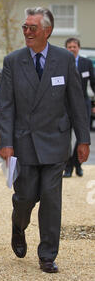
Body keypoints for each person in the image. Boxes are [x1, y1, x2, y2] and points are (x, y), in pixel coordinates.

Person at [0, 7, 90, 274]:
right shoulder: (13, 61)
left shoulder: (64, 59)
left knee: (51, 199)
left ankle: (47, 254)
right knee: (25, 197)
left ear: (47, 31)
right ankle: (19, 226)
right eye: (25, 27)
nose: (27, 32)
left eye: (32, 28)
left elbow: (75, 102)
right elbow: (6, 106)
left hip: (56, 141)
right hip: (24, 141)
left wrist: (83, 139)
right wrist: (6, 142)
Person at [64, 37, 95, 177]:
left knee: (83, 135)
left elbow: (93, 84)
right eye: (69, 47)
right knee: (65, 137)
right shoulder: (61, 63)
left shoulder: (86, 63)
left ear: (79, 48)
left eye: (74, 46)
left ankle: (77, 163)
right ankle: (68, 166)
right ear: (66, 49)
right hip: (65, 105)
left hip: (84, 104)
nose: (72, 49)